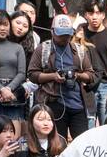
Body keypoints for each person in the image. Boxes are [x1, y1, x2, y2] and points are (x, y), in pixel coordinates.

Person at [28, 14, 95, 142]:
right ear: (52, 32)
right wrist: (53, 76)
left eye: (67, 34)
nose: (65, 38)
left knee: (82, 143)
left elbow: (91, 74)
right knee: (57, 143)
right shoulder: (44, 49)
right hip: (53, 102)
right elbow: (32, 74)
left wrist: (77, 75)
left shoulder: (79, 50)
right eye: (61, 34)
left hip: (77, 104)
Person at [0, 9, 28, 129]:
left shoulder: (17, 48)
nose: (3, 28)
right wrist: (1, 89)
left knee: (14, 135)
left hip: (13, 95)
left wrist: (8, 89)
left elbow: (21, 73)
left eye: (5, 24)